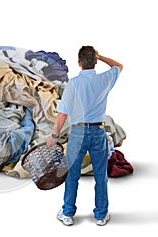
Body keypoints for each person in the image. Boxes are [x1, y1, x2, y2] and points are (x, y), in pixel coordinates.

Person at [47, 46, 123, 226]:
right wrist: (101, 56)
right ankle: (101, 215)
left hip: (77, 133)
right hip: (98, 132)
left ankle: (67, 214)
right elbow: (119, 66)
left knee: (72, 174)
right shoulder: (104, 79)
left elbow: (62, 114)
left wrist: (54, 135)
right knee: (100, 175)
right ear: (95, 61)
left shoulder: (72, 84)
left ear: (79, 63)